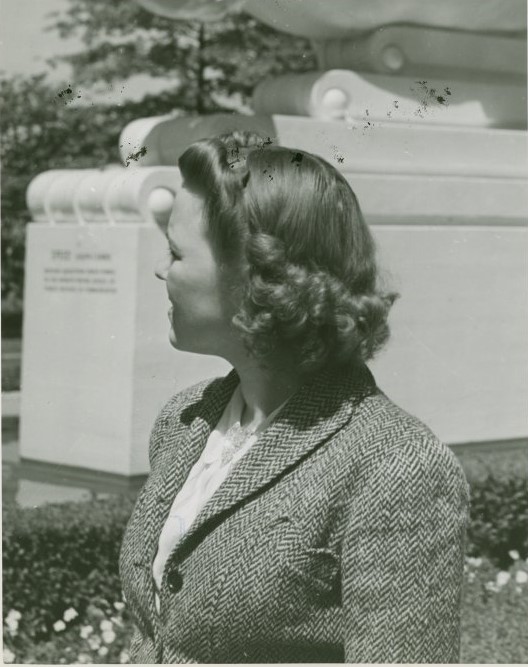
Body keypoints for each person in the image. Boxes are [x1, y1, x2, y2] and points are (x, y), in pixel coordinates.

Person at [119, 131, 469, 664]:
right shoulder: (184, 421)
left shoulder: (396, 464)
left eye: (176, 251)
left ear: (253, 274)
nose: (161, 270)